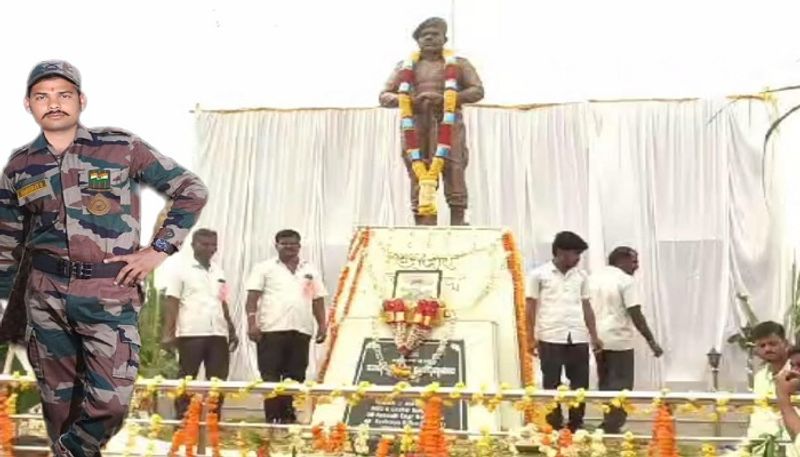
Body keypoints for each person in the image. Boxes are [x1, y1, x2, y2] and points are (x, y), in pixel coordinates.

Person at [0, 60, 208, 457]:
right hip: (45, 297)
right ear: (28, 105)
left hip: (109, 291)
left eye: (64, 95)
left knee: (111, 402)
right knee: (60, 408)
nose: (54, 104)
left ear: (81, 100)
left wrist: (158, 250)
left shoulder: (120, 148)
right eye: (42, 96)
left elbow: (190, 190)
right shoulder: (20, 166)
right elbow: (7, 239)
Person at [379, 17, 484, 226]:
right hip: (416, 124)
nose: (429, 37)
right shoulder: (404, 67)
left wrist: (448, 99)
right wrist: (408, 101)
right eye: (424, 35)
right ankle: (424, 222)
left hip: (448, 122)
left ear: (444, 39)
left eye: (434, 34)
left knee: (454, 167)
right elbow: (384, 96)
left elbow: (477, 90)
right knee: (418, 170)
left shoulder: (459, 64)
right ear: (417, 41)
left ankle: (458, 221)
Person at [245, 229, 328, 423]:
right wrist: (252, 323)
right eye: (284, 243)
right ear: (277, 246)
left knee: (295, 375)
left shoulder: (310, 270)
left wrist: (322, 326)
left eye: (293, 243)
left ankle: (288, 416)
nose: (289, 247)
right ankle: (273, 418)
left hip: (301, 330)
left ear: (299, 246)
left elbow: (317, 300)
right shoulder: (264, 268)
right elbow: (252, 298)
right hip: (271, 330)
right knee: (271, 375)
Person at [526, 231, 603, 432]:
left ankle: (576, 425)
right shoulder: (539, 275)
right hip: (550, 336)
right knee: (551, 383)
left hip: (577, 337)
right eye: (575, 253)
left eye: (579, 254)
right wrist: (529, 338)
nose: (578, 259)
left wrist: (594, 335)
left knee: (580, 385)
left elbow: (586, 306)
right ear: (560, 252)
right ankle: (554, 425)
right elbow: (530, 307)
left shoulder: (582, 276)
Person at [162, 229, 238, 419]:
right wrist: (168, 333)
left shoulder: (218, 271)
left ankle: (213, 419)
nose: (210, 248)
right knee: (187, 377)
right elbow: (172, 301)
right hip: (191, 332)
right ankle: (183, 419)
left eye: (213, 244)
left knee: (218, 380)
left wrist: (231, 328)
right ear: (193, 245)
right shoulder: (180, 270)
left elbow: (222, 301)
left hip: (218, 333)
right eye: (205, 244)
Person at [589, 246, 663, 433]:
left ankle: (608, 423)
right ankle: (613, 427)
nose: (636, 266)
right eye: (634, 261)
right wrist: (651, 341)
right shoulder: (626, 281)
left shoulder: (593, 278)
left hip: (597, 338)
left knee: (605, 383)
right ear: (621, 261)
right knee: (621, 385)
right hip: (619, 340)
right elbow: (635, 313)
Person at [747, 321, 793, 444]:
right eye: (762, 346)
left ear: (786, 343)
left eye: (772, 344)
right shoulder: (760, 377)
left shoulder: (796, 372)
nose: (767, 349)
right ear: (756, 350)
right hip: (762, 441)